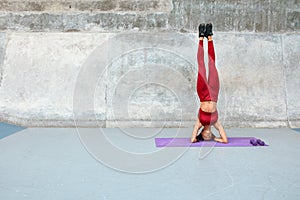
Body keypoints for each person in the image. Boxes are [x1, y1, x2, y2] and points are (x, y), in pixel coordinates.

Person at [190, 23, 228, 144]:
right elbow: (225, 140)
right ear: (211, 135)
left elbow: (192, 140)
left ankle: (201, 37)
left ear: (202, 134)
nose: (207, 136)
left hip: (202, 93)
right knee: (212, 64)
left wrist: (196, 138)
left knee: (201, 66)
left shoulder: (199, 123)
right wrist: (217, 139)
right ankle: (210, 37)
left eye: (204, 137)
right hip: (214, 93)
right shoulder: (216, 123)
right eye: (209, 137)